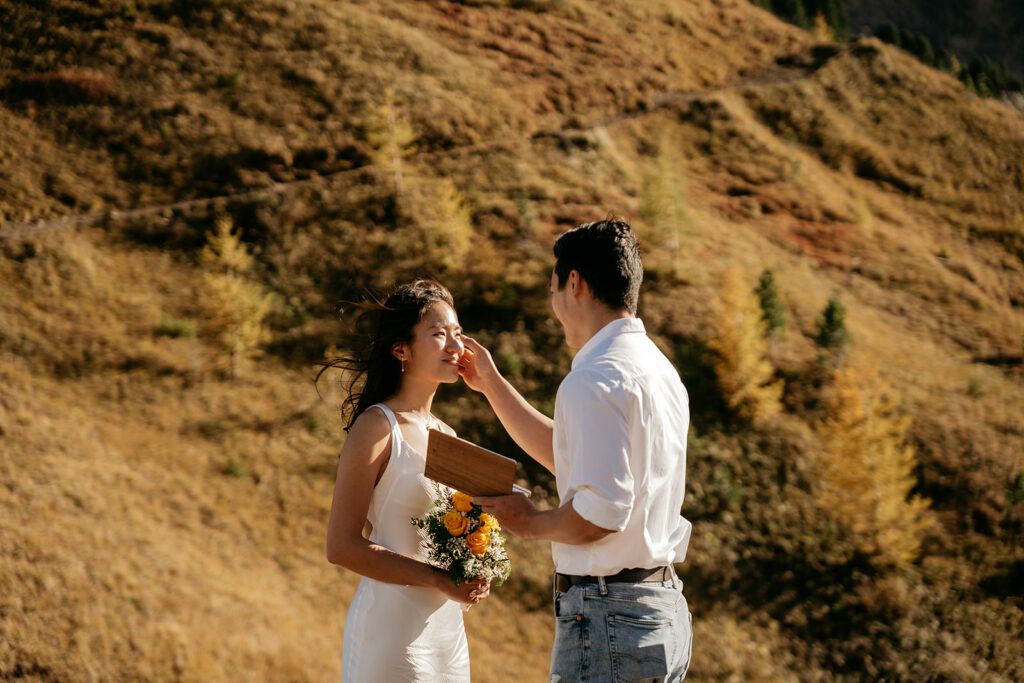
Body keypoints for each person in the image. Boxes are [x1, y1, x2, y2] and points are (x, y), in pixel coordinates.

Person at [460, 219, 693, 681]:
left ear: (574, 282)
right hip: (661, 611)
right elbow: (573, 457)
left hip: (609, 620)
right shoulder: (659, 371)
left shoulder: (593, 380)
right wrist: (492, 385)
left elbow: (600, 513)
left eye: (553, 290)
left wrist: (527, 522)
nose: (554, 307)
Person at [321, 279, 490, 683]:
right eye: (438, 334)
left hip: (448, 636)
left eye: (457, 334)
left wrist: (474, 565)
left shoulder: (448, 435)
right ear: (401, 349)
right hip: (392, 634)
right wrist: (438, 579)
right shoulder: (377, 427)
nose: (455, 345)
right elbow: (341, 546)